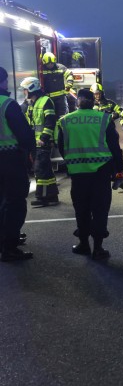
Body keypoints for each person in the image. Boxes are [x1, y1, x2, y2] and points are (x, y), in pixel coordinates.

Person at [57, 88, 123, 260]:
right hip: (101, 172)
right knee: (100, 210)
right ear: (92, 101)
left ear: (77, 101)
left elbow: (62, 147)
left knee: (82, 210)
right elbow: (114, 147)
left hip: (78, 174)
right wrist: (119, 169)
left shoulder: (65, 121)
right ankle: (98, 248)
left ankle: (84, 245)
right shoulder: (104, 119)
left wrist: (73, 161)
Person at [0, 67, 36, 261]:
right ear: (3, 82)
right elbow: (25, 136)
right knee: (14, 203)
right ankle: (10, 247)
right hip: (9, 160)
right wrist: (29, 154)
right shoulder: (8, 104)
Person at [21, 77, 59, 206]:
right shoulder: (32, 103)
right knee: (46, 169)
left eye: (25, 90)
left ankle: (42, 197)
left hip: (43, 142)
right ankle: (52, 196)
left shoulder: (45, 101)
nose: (24, 92)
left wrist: (43, 138)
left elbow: (50, 121)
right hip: (35, 142)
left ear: (32, 89)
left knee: (40, 169)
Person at [40, 52, 69, 119]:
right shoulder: (42, 70)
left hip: (60, 98)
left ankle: (62, 129)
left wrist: (69, 83)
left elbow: (69, 74)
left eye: (52, 63)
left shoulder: (61, 67)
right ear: (44, 63)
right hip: (48, 98)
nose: (50, 65)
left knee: (63, 116)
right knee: (50, 116)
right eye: (48, 64)